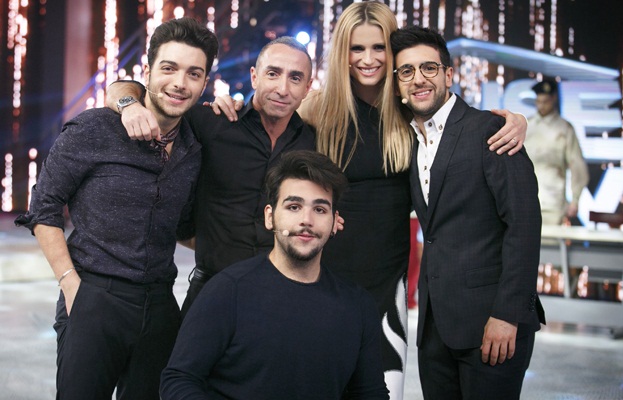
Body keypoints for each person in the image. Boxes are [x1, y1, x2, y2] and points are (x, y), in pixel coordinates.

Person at [209, 3, 529, 398]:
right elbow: (264, 123)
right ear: (342, 53)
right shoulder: (317, 109)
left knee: (381, 389)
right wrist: (228, 105)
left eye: (379, 47)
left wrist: (515, 121)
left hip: (388, 283)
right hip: (321, 276)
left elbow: (462, 124)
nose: (368, 59)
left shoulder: (411, 110)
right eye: (356, 48)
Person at [14, 17, 218, 400]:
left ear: (204, 82)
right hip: (94, 294)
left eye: (194, 73)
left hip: (160, 303)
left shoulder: (195, 147)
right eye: (169, 68)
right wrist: (70, 285)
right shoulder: (95, 128)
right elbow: (43, 208)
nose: (180, 82)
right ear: (148, 72)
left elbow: (182, 225)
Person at [105, 36, 317, 316]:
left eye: (295, 78)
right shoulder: (211, 122)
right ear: (254, 77)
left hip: (282, 296)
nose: (282, 88)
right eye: (273, 73)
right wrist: (129, 104)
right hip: (211, 290)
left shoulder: (314, 143)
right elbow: (130, 91)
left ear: (307, 87)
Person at [390, 25, 545, 399]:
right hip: (435, 330)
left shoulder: (490, 129)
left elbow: (524, 224)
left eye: (428, 67)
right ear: (397, 85)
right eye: (406, 71)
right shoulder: (408, 141)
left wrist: (508, 314)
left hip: (492, 325)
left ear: (448, 74)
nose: (418, 79)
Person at [159, 150, 388, 399]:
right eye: (293, 207)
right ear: (270, 217)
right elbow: (179, 380)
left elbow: (371, 394)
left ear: (334, 223)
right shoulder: (227, 291)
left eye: (320, 209)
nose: (306, 220)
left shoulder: (357, 306)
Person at [525, 78, 589, 226]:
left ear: (553, 99)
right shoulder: (526, 126)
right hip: (525, 199)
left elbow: (577, 164)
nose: (541, 105)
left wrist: (575, 199)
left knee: (551, 240)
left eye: (545, 101)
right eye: (538, 101)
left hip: (552, 200)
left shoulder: (564, 128)